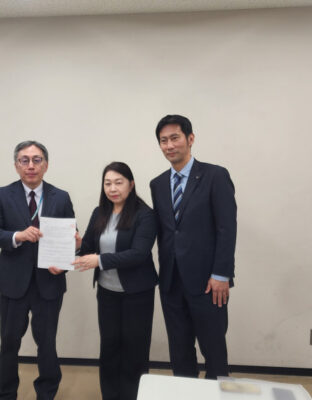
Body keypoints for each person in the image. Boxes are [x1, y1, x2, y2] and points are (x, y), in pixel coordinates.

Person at [0, 140, 76, 400]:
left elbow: (70, 236)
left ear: (46, 164)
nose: (31, 165)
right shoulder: (2, 195)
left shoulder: (61, 196)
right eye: (25, 160)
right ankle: (5, 394)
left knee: (47, 344)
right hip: (12, 283)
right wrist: (18, 236)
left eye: (37, 160)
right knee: (9, 343)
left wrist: (66, 260)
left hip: (49, 283)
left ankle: (46, 393)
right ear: (16, 165)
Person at [150, 115, 237, 379]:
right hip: (171, 282)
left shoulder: (215, 176)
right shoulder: (157, 184)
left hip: (209, 283)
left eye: (174, 138)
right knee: (180, 352)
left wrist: (221, 274)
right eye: (163, 140)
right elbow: (163, 230)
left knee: (214, 351)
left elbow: (226, 228)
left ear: (190, 139)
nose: (169, 145)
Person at [73, 162, 158, 400]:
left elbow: (138, 254)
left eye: (118, 183)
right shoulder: (99, 212)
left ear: (131, 184)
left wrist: (99, 260)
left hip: (137, 293)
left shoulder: (145, 215)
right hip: (107, 292)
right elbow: (88, 247)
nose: (113, 188)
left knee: (134, 349)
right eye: (108, 183)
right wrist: (78, 245)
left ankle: (132, 395)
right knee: (109, 347)